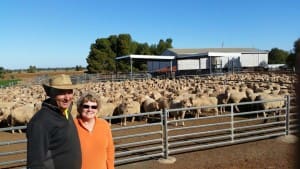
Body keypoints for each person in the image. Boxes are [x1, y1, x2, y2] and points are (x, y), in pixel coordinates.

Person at [26, 74, 82, 169]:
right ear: (51, 94)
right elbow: (35, 164)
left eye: (69, 92)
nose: (67, 97)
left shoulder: (65, 112)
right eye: (61, 92)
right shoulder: (40, 122)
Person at [74, 92, 115, 169]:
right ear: (80, 108)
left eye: (94, 107)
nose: (90, 109)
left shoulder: (104, 125)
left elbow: (110, 150)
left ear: (97, 109)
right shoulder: (72, 126)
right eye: (86, 106)